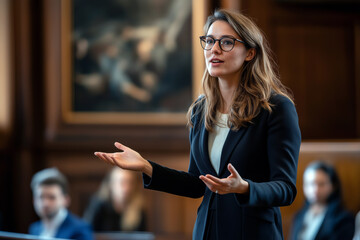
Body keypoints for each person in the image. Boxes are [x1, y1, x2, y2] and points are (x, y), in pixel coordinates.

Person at [95, 9, 301, 240]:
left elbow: (285, 189)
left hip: (251, 233)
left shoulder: (276, 108)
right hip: (206, 232)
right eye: (210, 41)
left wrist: (244, 187)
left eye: (227, 42)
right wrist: (145, 166)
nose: (214, 49)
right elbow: (196, 184)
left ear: (250, 53)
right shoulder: (201, 109)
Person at [290, 161, 355, 240]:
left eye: (321, 184)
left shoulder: (343, 219)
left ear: (333, 186)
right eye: (310, 184)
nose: (315, 190)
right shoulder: (299, 216)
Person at [29, 168, 93, 240]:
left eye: (52, 197)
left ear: (66, 200)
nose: (45, 203)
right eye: (41, 197)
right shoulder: (34, 229)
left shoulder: (80, 229)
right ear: (34, 200)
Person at [83, 167, 146, 232]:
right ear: (111, 184)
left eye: (130, 183)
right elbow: (85, 231)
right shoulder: (98, 204)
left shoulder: (138, 208)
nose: (126, 188)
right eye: (122, 182)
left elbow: (143, 236)